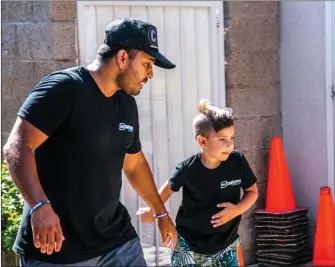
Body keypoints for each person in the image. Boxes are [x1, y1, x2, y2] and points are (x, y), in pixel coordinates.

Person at [3, 17, 178, 266]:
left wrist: (160, 212)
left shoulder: (126, 104)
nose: (150, 74)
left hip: (116, 240)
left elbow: (134, 164)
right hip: (58, 246)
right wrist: (39, 206)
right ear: (122, 58)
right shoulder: (64, 88)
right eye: (148, 63)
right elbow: (17, 148)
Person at [137, 99, 259, 266]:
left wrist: (237, 210)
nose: (229, 144)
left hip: (227, 244)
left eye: (231, 137)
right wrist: (152, 211)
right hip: (190, 246)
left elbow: (252, 192)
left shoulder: (237, 161)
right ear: (202, 141)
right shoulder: (187, 169)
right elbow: (163, 194)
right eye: (222, 139)